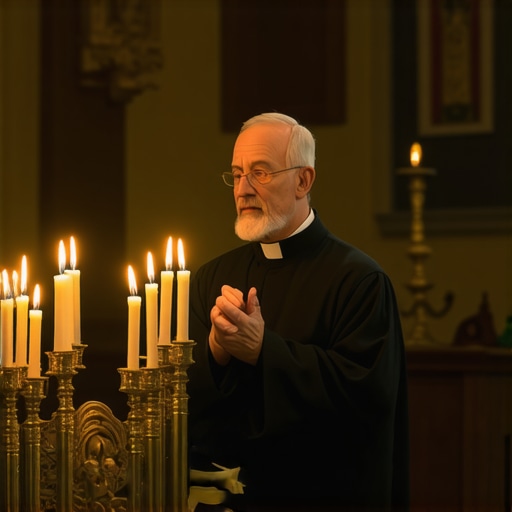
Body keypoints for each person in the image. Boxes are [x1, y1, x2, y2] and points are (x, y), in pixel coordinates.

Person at [188, 112, 409, 512]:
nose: (243, 189)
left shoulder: (359, 280)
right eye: (237, 174)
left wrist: (262, 351)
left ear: (303, 181)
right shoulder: (212, 277)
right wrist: (216, 353)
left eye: (261, 173)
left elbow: (368, 398)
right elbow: (182, 400)